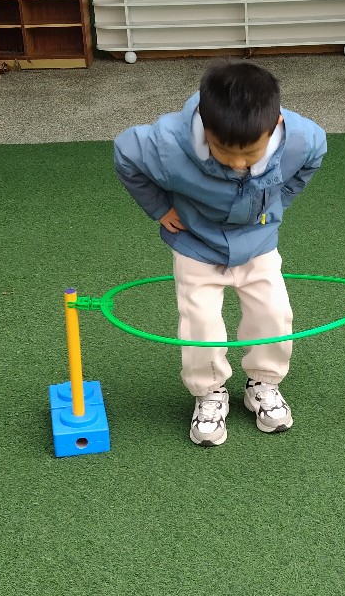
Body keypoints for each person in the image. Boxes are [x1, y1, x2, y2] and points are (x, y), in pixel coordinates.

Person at [113, 60, 327, 446]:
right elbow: (125, 154)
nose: (238, 162)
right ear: (205, 125)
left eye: (250, 153)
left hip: (258, 240)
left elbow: (316, 153)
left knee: (273, 312)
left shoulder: (299, 139)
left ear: (274, 126)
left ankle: (263, 383)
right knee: (200, 322)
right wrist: (160, 209)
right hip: (196, 243)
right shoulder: (167, 144)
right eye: (225, 151)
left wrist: (279, 202)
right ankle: (209, 392)